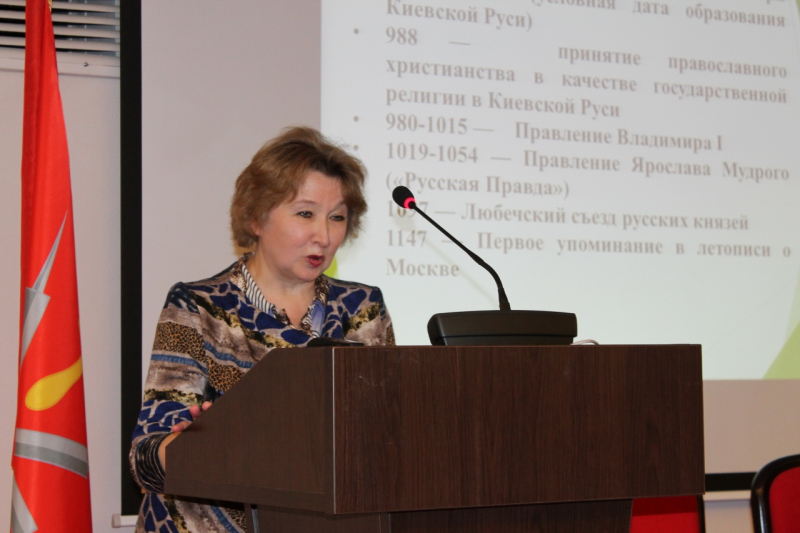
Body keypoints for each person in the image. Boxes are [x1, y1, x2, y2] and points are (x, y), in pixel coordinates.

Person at [129, 127, 395, 533]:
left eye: (337, 217)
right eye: (305, 214)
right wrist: (192, 444)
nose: (324, 236)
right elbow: (145, 459)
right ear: (256, 217)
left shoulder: (361, 308)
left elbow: (386, 441)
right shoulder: (198, 306)